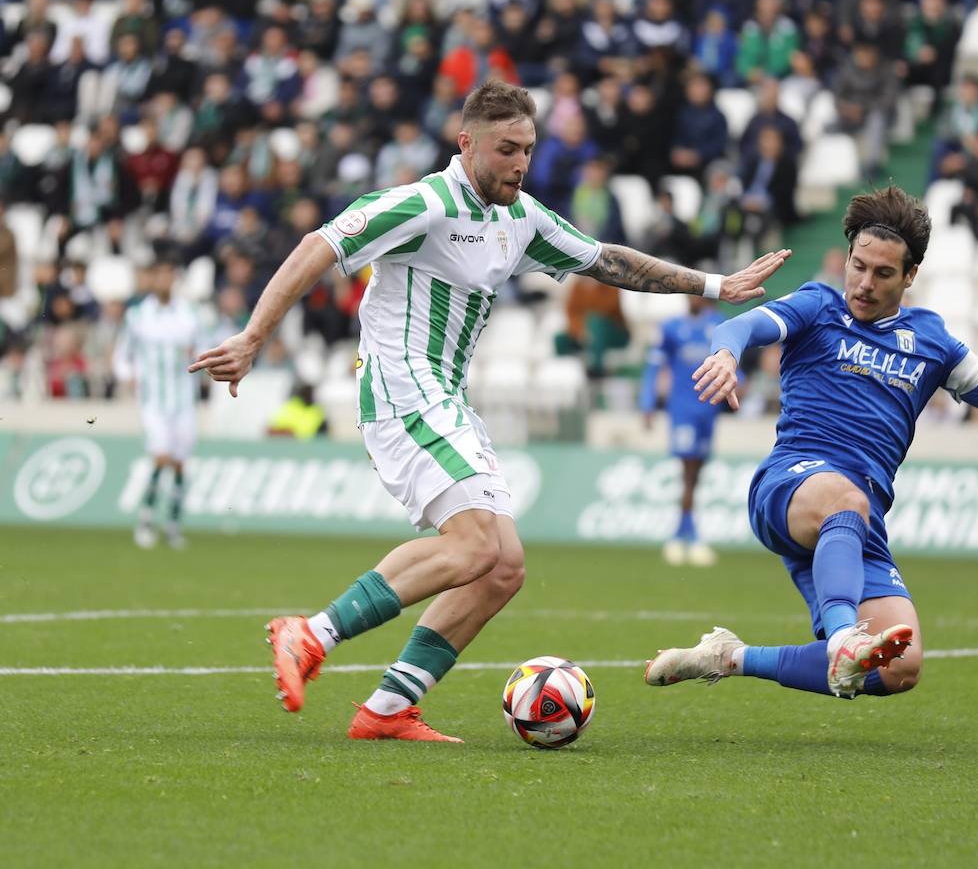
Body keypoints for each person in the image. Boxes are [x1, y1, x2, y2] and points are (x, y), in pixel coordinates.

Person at [190, 81, 790, 742]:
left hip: (447, 396)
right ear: (466, 143)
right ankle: (310, 634)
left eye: (528, 150)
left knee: (503, 567)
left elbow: (606, 260)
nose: (520, 163)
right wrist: (252, 337)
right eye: (507, 149)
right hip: (401, 388)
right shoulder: (422, 203)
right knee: (474, 545)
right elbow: (319, 246)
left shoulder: (520, 217)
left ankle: (388, 709)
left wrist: (714, 285)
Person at [645, 186, 978, 700]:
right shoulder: (818, 305)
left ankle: (729, 657)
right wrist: (725, 353)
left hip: (856, 520)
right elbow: (740, 327)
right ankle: (843, 640)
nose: (863, 283)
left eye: (882, 273)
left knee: (899, 668)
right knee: (846, 505)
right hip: (791, 485)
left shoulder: (932, 342)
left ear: (909, 276)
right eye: (857, 266)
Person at [115, 255, 210, 550]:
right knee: (161, 457)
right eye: (159, 275)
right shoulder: (138, 316)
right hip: (153, 400)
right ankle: (145, 520)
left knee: (180, 463)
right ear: (152, 279)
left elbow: (205, 350)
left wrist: (202, 360)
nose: (164, 280)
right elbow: (122, 356)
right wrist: (128, 376)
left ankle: (172, 524)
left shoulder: (190, 315)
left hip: (184, 400)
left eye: (170, 275)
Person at [640, 297, 726, 567]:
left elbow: (733, 359)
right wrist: (648, 401)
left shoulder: (718, 324)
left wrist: (741, 384)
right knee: (688, 471)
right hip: (683, 409)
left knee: (696, 471)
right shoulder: (672, 327)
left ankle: (683, 533)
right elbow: (654, 365)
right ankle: (686, 536)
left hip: (709, 410)